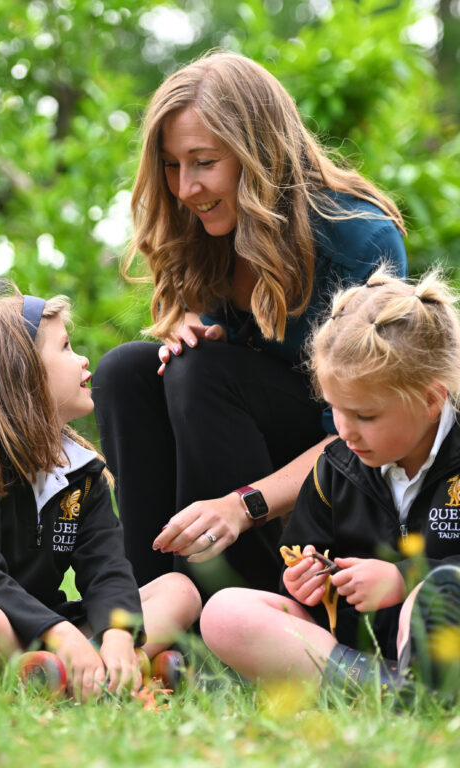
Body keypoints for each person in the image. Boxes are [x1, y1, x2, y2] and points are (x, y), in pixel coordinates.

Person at [92, 50, 408, 599]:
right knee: (126, 371)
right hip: (239, 439)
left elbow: (359, 434)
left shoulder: (360, 237)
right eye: (172, 165)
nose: (184, 188)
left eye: (203, 162)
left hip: (337, 475)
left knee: (202, 375)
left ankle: (229, 603)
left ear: (258, 153)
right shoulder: (207, 228)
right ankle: (146, 606)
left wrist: (244, 504)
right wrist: (191, 324)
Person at [0, 294, 202, 702]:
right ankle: (103, 677)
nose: (83, 360)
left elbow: (106, 567)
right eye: (66, 347)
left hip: (48, 632)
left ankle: (88, 672)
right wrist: (60, 635)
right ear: (20, 374)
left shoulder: (81, 471)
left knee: (179, 590)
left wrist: (117, 634)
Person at [199, 267, 460, 696]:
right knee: (225, 612)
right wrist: (301, 582)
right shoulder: (335, 466)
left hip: (443, 636)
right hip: (353, 647)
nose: (345, 430)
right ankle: (385, 687)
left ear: (431, 400)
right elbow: (302, 556)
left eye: (365, 415)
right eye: (335, 409)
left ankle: (418, 681)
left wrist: (404, 579)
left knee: (436, 592)